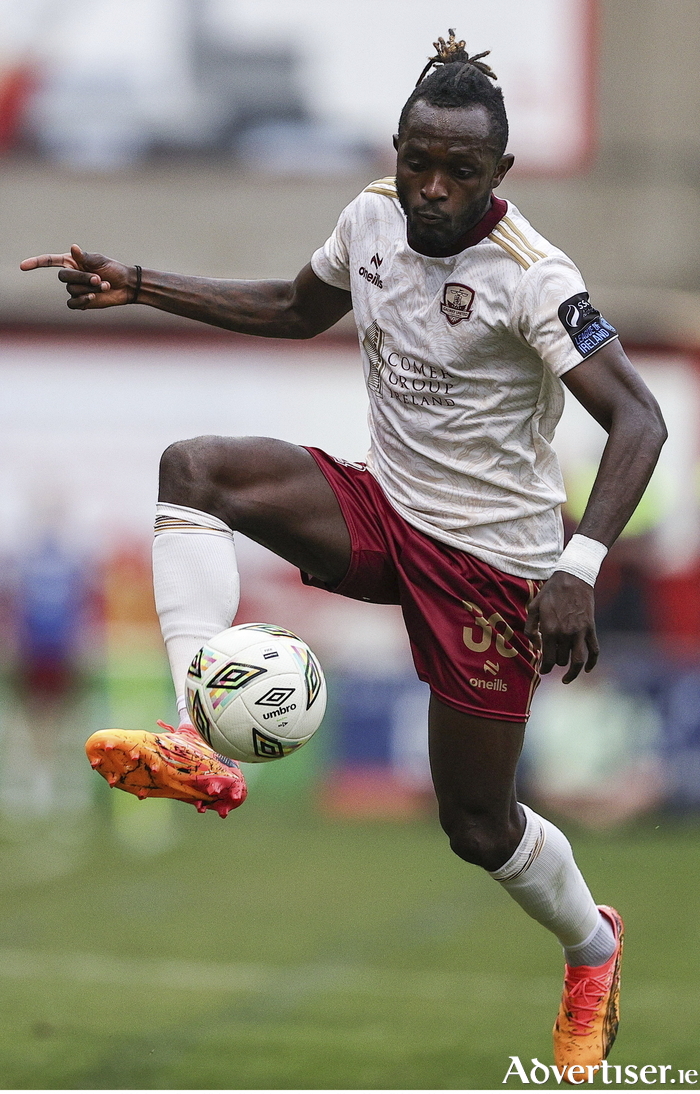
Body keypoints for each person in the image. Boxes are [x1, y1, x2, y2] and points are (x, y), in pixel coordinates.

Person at [21, 32, 666, 1080]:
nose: (432, 185)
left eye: (459, 169)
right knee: (195, 468)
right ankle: (198, 733)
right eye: (418, 157)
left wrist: (576, 566)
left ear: (499, 174)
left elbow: (638, 419)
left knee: (475, 821)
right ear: (398, 145)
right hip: (383, 509)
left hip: (493, 569)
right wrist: (136, 281)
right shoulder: (371, 215)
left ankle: (591, 950)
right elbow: (292, 307)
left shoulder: (534, 278)